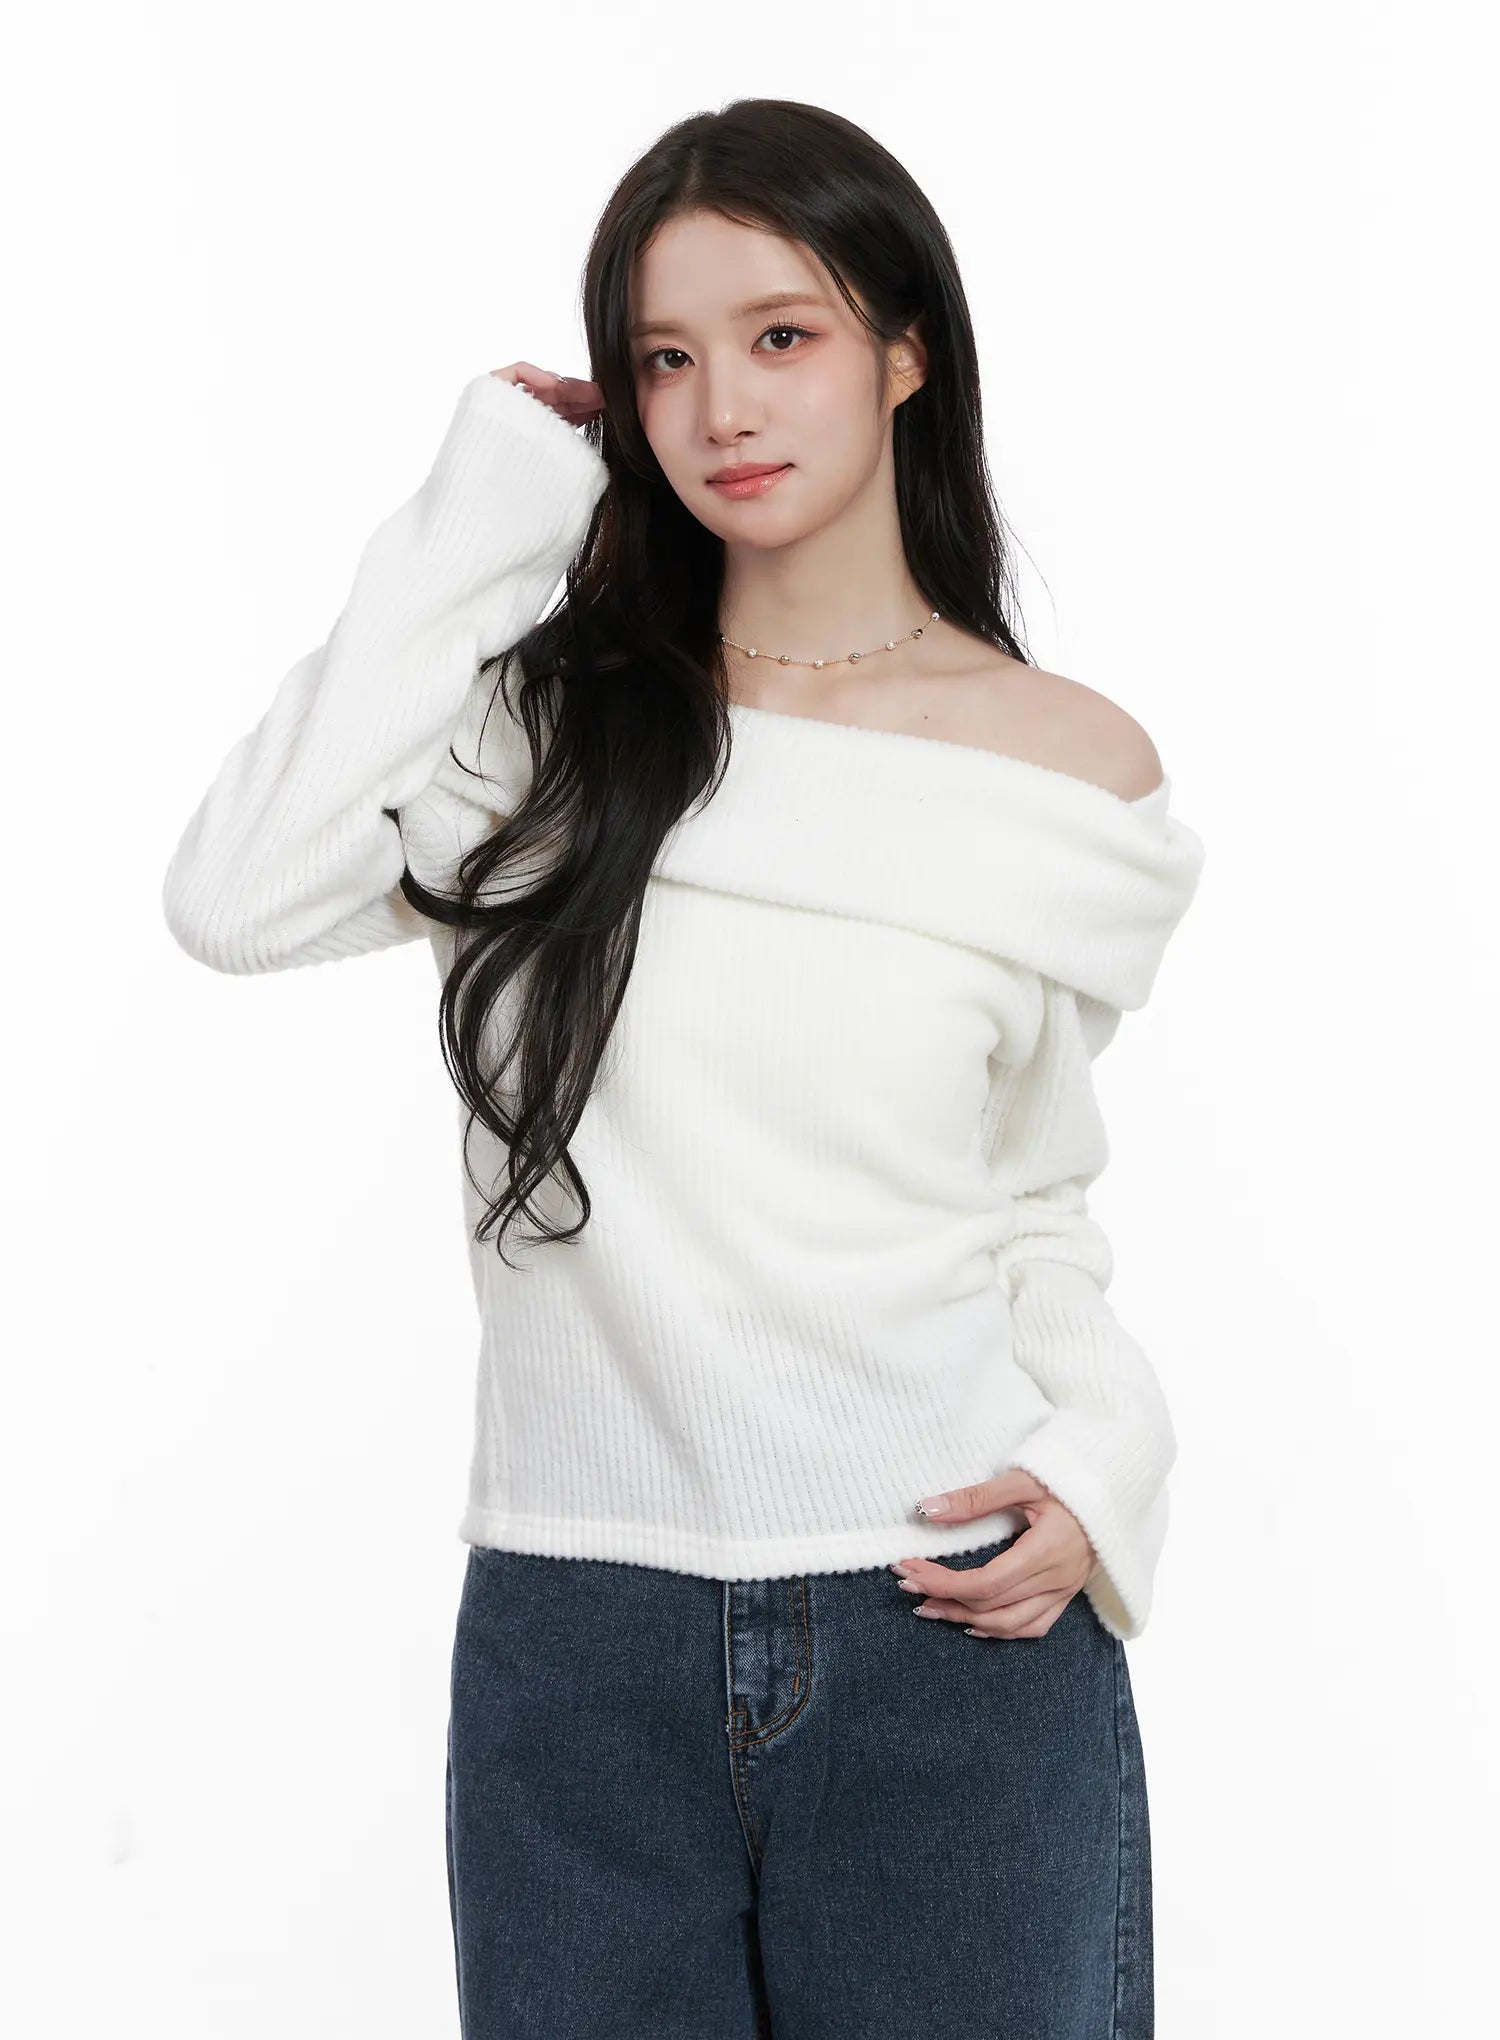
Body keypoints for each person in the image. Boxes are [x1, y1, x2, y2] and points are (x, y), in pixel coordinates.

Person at [162, 96, 1206, 2040]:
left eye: (781, 335)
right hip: (581, 1638)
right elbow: (233, 897)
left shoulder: (1060, 769)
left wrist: (1103, 1467)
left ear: (906, 350)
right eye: (663, 357)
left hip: (948, 1615)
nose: (721, 405)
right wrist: (486, 502)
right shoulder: (542, 739)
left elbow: (1033, 1197)